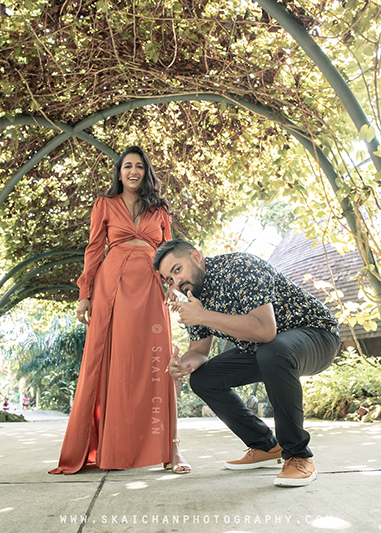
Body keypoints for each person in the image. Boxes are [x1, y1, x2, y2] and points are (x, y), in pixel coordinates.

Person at [153, 239, 340, 487]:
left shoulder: (240, 267)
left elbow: (265, 331)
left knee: (272, 351)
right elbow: (199, 351)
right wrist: (182, 364)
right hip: (266, 350)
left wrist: (203, 315)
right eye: (169, 279)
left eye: (177, 270)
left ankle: (298, 455)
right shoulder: (195, 297)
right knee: (203, 379)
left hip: (317, 336)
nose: (176, 282)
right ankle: (264, 446)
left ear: (196, 257)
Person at [49, 146, 190, 475]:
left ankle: (172, 450)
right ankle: (112, 447)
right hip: (112, 290)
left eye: (139, 166)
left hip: (152, 289)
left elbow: (171, 253)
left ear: (146, 172)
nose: (133, 171)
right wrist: (85, 294)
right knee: (116, 365)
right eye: (127, 166)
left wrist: (175, 287)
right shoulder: (105, 205)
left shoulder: (160, 211)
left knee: (158, 364)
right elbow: (95, 249)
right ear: (119, 172)